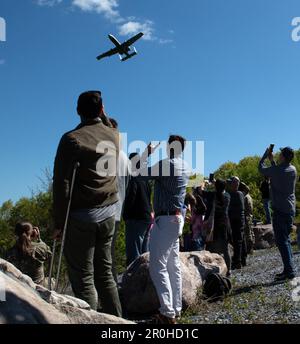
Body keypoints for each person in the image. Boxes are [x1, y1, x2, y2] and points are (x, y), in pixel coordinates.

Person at [52, 90, 122, 316]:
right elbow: (109, 121)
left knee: (84, 277)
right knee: (105, 273)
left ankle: (90, 320)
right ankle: (118, 322)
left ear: (77, 112)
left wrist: (59, 223)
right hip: (109, 212)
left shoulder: (71, 139)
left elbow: (62, 185)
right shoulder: (114, 134)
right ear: (102, 110)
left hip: (83, 216)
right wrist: (102, 111)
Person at [136, 135, 190, 324]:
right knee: (172, 266)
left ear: (169, 147)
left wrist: (146, 154)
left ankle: (167, 312)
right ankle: (176, 308)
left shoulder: (166, 164)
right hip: (176, 218)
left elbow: (139, 173)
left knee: (157, 265)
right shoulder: (184, 166)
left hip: (165, 219)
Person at [258, 146, 297, 281]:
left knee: (282, 242)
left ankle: (290, 271)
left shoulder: (276, 170)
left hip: (280, 210)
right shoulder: (293, 169)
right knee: (286, 239)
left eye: (280, 154)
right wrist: (273, 161)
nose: (279, 155)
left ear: (283, 156)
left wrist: (265, 156)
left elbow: (261, 168)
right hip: (290, 209)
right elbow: (278, 173)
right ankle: (288, 269)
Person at [109, 118, 130, 282]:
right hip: (117, 211)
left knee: (98, 256)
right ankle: (113, 291)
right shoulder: (125, 158)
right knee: (110, 254)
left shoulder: (104, 153)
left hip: (100, 210)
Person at [123, 153, 153, 266]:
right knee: (145, 252)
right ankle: (146, 277)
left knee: (134, 251)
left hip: (135, 217)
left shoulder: (133, 179)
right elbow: (149, 198)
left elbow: (131, 197)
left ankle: (133, 279)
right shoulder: (145, 180)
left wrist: (125, 215)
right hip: (147, 217)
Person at [206, 179, 232, 275]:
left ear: (216, 187)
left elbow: (200, 192)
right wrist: (216, 184)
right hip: (225, 223)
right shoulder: (227, 196)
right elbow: (221, 190)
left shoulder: (213, 195)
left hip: (216, 225)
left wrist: (208, 184)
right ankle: (229, 270)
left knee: (213, 248)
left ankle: (216, 269)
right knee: (226, 249)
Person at [228, 176, 247, 269]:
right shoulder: (241, 193)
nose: (229, 185)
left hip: (236, 220)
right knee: (241, 239)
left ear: (234, 184)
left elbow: (230, 208)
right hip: (240, 220)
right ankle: (243, 259)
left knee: (237, 241)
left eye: (230, 183)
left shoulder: (235, 194)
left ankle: (237, 261)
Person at [239, 182, 255, 254]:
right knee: (250, 232)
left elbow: (244, 208)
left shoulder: (245, 197)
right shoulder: (249, 196)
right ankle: (251, 248)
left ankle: (249, 249)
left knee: (248, 233)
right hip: (250, 216)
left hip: (246, 216)